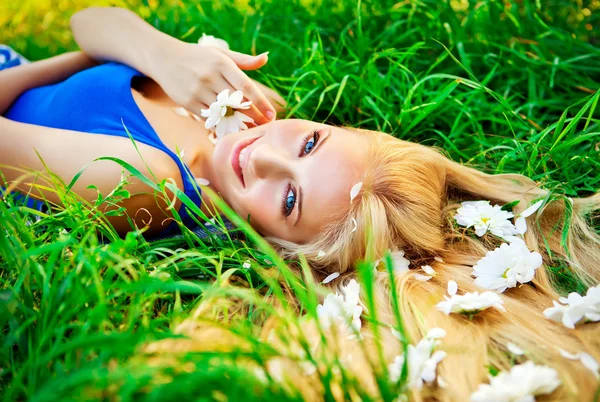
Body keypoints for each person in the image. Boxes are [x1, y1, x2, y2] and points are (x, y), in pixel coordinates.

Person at [1, 7, 598, 401]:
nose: (263, 153)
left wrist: (54, 71)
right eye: (311, 141)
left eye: (287, 197)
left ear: (277, 244)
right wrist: (163, 54)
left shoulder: (141, 181)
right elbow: (88, 19)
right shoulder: (246, 105)